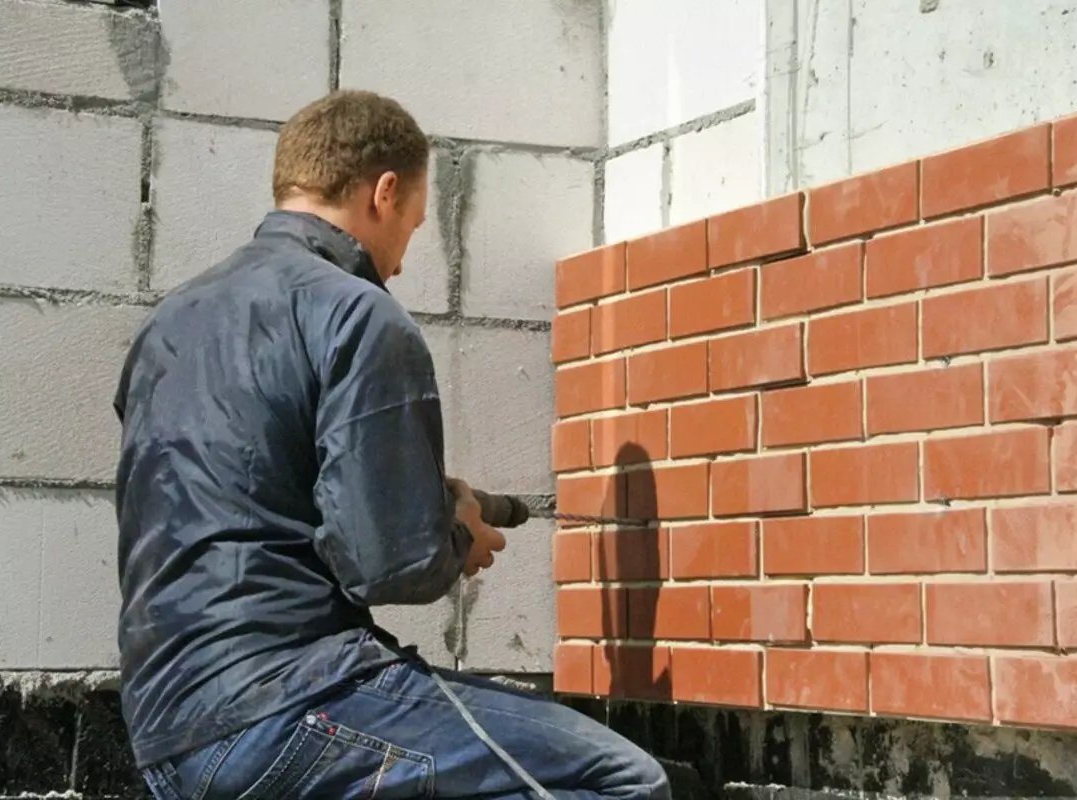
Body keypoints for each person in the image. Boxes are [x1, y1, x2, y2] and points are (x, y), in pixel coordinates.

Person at [113, 90, 671, 799]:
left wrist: (429, 501)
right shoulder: (355, 313)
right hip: (287, 706)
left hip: (164, 733)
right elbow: (388, 566)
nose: (403, 261)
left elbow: (249, 495)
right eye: (412, 223)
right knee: (623, 779)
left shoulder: (168, 323)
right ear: (383, 192)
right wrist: (456, 539)